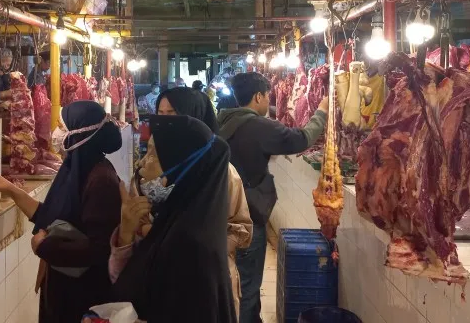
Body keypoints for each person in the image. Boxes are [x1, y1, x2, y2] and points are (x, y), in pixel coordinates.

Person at [0, 101, 123, 323]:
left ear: (79, 134)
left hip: (81, 296)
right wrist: (11, 191)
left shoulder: (101, 180)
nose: (56, 133)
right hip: (63, 287)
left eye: (62, 127)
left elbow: (101, 248)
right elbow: (50, 216)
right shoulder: (76, 170)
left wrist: (45, 247)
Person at [217, 72, 328, 323]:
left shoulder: (222, 120)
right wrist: (322, 111)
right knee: (247, 286)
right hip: (246, 216)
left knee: (232, 280)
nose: (269, 100)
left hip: (220, 212)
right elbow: (301, 139)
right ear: (258, 96)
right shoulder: (258, 126)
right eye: (268, 96)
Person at [110, 115, 237, 323]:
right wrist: (126, 232)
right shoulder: (174, 220)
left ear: (179, 168)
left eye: (152, 154)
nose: (141, 163)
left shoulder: (191, 245)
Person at [155, 87, 252, 320]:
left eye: (174, 114)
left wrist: (201, 247)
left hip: (210, 282)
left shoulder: (223, 173)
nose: (166, 122)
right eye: (160, 114)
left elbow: (242, 229)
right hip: (162, 276)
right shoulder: (152, 168)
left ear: (195, 120)